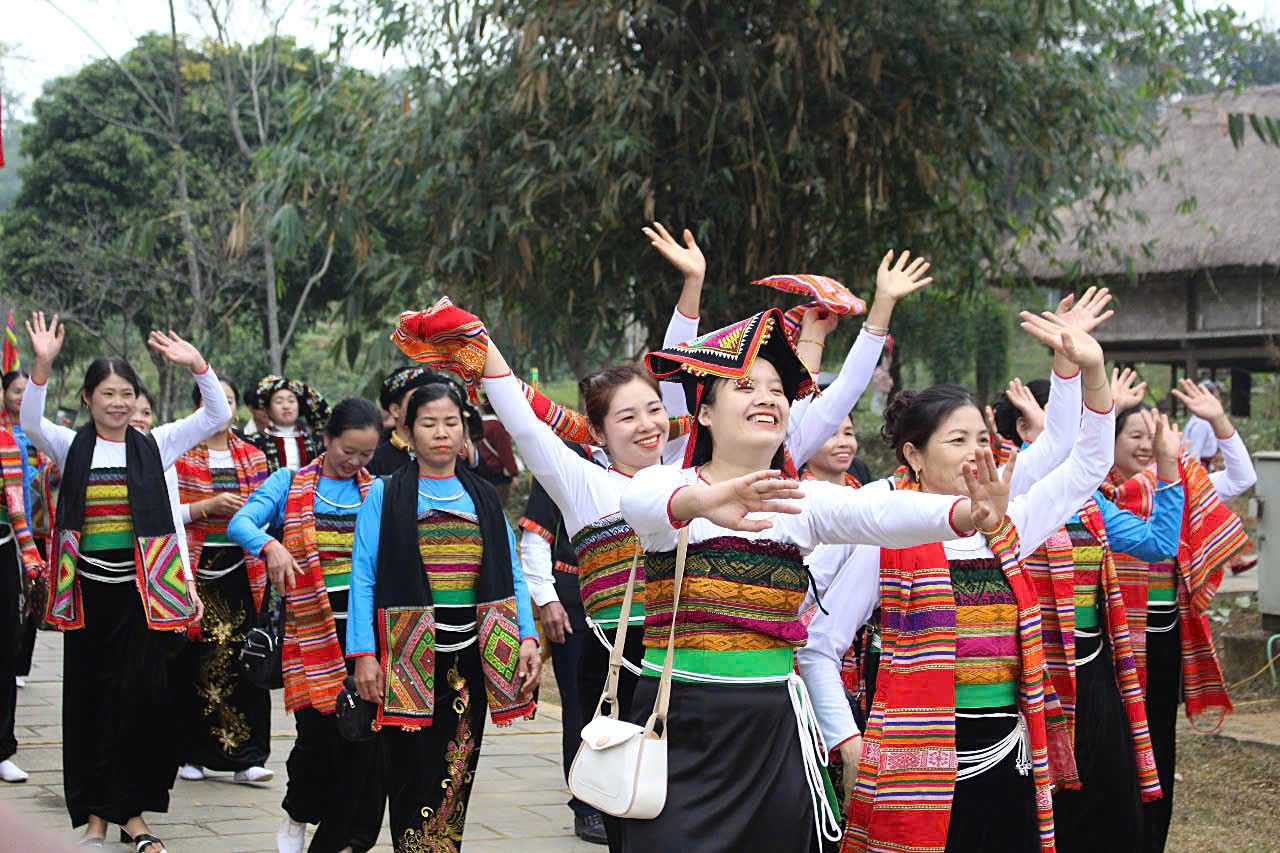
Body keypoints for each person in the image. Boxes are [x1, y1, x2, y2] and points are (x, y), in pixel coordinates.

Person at [616, 304, 1012, 853]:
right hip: (678, 723)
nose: (767, 398)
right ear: (704, 413)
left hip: (772, 729)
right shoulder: (667, 484)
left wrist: (967, 516)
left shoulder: (797, 501)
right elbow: (638, 503)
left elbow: (878, 515)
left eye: (777, 390)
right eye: (746, 386)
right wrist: (707, 501)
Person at [21, 312, 230, 852]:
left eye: (126, 393)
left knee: (139, 706)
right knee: (90, 704)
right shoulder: (72, 446)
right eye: (107, 393)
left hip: (144, 599)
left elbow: (216, 413)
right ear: (89, 397)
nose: (118, 403)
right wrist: (42, 366)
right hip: (89, 597)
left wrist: (197, 365)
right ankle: (97, 819)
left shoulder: (155, 443)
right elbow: (31, 424)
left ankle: (131, 816)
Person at [347, 382, 540, 851]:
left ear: (464, 429)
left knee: (457, 767)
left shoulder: (483, 496)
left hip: (471, 655)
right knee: (409, 771)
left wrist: (528, 638)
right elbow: (363, 577)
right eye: (428, 423)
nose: (441, 433)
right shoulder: (385, 496)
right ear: (406, 433)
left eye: (451, 422)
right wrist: (363, 655)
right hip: (405, 657)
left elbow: (512, 573)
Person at [228, 397, 386, 853]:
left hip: (362, 631)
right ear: (327, 440)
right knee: (315, 738)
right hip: (308, 633)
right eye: (348, 452)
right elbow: (242, 522)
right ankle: (299, 812)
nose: (355, 463)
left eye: (366, 455)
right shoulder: (289, 483)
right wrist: (270, 547)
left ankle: (345, 836)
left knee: (360, 737)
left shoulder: (375, 491)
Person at [1104, 379, 1251, 853]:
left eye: (1153, 437)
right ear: (1110, 442)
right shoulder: (1093, 492)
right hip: (1109, 641)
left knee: (1159, 743)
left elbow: (1242, 478)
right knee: (1116, 749)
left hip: (1164, 636)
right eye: (1134, 436)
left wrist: (1217, 420)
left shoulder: (1180, 482)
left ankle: (1152, 840)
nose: (1147, 446)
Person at [172, 378, 274, 785]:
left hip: (241, 570)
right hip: (196, 570)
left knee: (245, 660)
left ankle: (248, 756)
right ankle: (191, 753)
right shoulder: (179, 454)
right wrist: (206, 507)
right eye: (217, 400)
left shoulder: (252, 455)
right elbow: (168, 511)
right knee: (192, 661)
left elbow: (265, 511)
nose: (225, 407)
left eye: (230, 400)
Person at [517, 442, 607, 843]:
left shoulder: (653, 459)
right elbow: (536, 537)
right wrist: (547, 599)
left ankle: (623, 795)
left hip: (635, 598)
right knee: (580, 702)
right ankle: (586, 804)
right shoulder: (565, 460)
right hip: (577, 596)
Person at [2, 370, 47, 689]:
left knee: (25, 604)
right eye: (15, 390)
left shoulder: (34, 435)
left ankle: (18, 664)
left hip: (27, 532)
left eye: (25, 391)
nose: (19, 396)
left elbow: (21, 501)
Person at [369, 366, 479, 477]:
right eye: (420, 397)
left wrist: (472, 459)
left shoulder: (456, 453)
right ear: (395, 410)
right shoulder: (373, 462)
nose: (431, 402)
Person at [248, 375, 328, 472]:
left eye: (291, 401)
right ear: (268, 409)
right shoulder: (256, 441)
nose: (286, 406)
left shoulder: (313, 441)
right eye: (279, 402)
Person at [1180, 379, 1222, 466]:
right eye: (1216, 398)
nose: (1219, 401)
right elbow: (1195, 452)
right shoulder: (1201, 422)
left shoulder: (1203, 420)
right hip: (1199, 465)